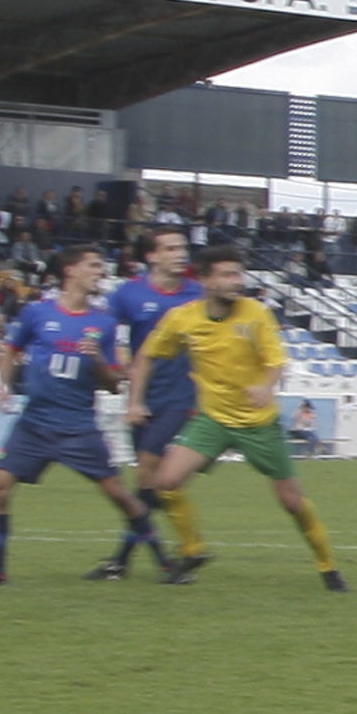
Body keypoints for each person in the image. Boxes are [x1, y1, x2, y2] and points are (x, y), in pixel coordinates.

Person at [133, 244, 345, 592]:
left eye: (238, 273)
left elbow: (276, 361)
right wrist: (135, 400)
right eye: (227, 274)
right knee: (166, 481)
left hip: (258, 422)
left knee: (292, 501)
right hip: (213, 420)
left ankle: (328, 566)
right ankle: (193, 547)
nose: (237, 281)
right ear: (204, 279)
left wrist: (264, 386)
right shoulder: (183, 319)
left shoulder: (256, 313)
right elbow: (148, 355)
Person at [0, 246, 177, 586]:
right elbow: (12, 351)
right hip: (34, 423)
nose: (100, 272)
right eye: (93, 265)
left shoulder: (104, 323)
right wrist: (2, 385)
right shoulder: (37, 313)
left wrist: (100, 362)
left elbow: (116, 382)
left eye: (101, 266)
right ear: (70, 270)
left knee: (119, 494)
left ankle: (165, 564)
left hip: (79, 426)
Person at [98, 227, 207, 580]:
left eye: (183, 247)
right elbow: (106, 332)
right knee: (148, 482)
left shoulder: (198, 294)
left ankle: (166, 555)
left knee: (149, 470)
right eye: (171, 248)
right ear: (152, 256)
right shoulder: (128, 294)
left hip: (182, 396)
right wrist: (119, 366)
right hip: (143, 398)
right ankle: (128, 559)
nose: (180, 253)